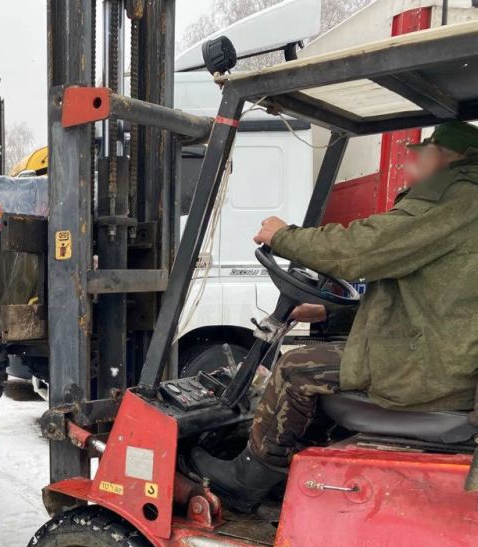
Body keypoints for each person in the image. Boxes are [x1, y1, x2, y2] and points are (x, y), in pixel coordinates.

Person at [193, 120, 478, 512]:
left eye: (425, 155)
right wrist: (328, 312)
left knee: (296, 367)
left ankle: (248, 479)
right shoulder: (466, 202)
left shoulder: (453, 197)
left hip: (435, 371)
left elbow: (362, 249)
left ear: (447, 156)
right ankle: (299, 462)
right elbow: (427, 303)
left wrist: (284, 237)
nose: (418, 165)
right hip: (446, 356)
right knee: (326, 356)